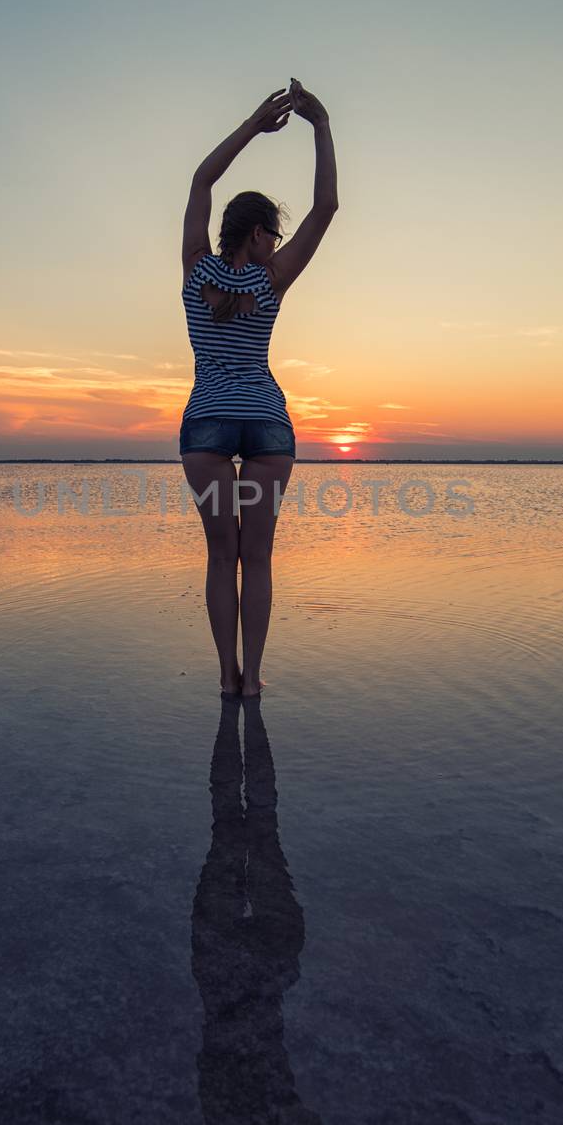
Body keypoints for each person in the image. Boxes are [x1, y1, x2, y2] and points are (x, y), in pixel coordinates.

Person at [179, 77, 339, 697]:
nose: (276, 240)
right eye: (273, 231)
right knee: (259, 557)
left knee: (223, 557)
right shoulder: (272, 278)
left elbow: (200, 183)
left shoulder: (196, 267)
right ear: (258, 234)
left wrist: (252, 124)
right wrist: (320, 125)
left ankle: (227, 675)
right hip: (267, 424)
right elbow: (326, 209)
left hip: (208, 424)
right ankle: (252, 683)